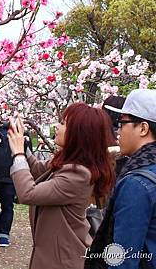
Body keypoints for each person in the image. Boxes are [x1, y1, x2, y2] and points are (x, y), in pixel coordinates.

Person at [7, 103, 115, 269]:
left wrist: (19, 154)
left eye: (63, 123)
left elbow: (28, 193)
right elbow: (38, 170)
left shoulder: (78, 173)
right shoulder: (69, 162)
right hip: (55, 256)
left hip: (62, 260)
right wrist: (25, 146)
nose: (57, 127)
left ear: (79, 133)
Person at [101, 89, 156, 268]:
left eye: (122, 123)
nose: (118, 130)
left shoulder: (136, 185)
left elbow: (123, 259)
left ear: (143, 128)